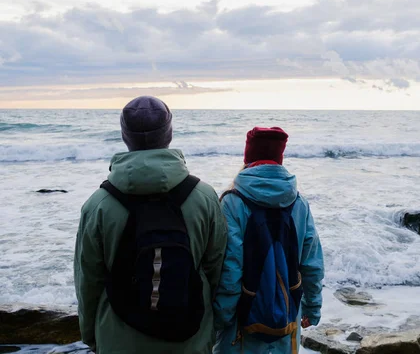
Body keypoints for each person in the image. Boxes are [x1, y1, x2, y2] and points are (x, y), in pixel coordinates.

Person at [74, 96, 227, 354]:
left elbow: (88, 281)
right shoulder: (204, 197)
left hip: (118, 340)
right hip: (190, 337)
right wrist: (212, 328)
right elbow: (216, 270)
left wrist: (92, 334)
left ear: (125, 136)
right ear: (169, 133)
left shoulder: (98, 204)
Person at [213, 127, 325, 354]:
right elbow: (312, 263)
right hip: (286, 316)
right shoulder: (299, 202)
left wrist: (221, 318)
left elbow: (230, 269)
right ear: (279, 159)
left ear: (248, 159)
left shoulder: (232, 202)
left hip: (241, 322)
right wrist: (312, 308)